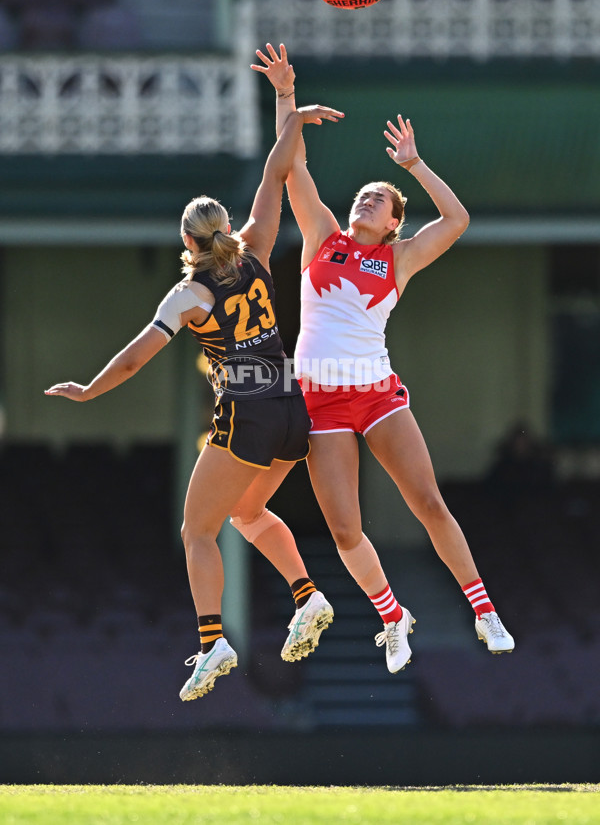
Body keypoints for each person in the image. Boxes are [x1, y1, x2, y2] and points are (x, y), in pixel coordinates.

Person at [45, 102, 345, 700]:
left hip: (247, 411)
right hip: (291, 408)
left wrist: (87, 390)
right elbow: (273, 178)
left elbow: (133, 358)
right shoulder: (257, 250)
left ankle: (214, 643)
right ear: (225, 229)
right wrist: (291, 116)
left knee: (196, 530)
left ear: (185, 239)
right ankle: (307, 596)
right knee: (247, 514)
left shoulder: (188, 293)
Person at [251, 43, 515, 673]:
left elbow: (456, 218)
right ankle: (393, 619)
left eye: (379, 198)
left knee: (427, 501)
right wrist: (286, 96)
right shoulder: (321, 237)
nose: (365, 198)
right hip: (319, 400)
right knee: (345, 529)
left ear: (395, 221)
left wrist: (415, 164)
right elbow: (291, 169)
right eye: (363, 193)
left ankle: (484, 611)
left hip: (375, 392)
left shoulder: (399, 259)